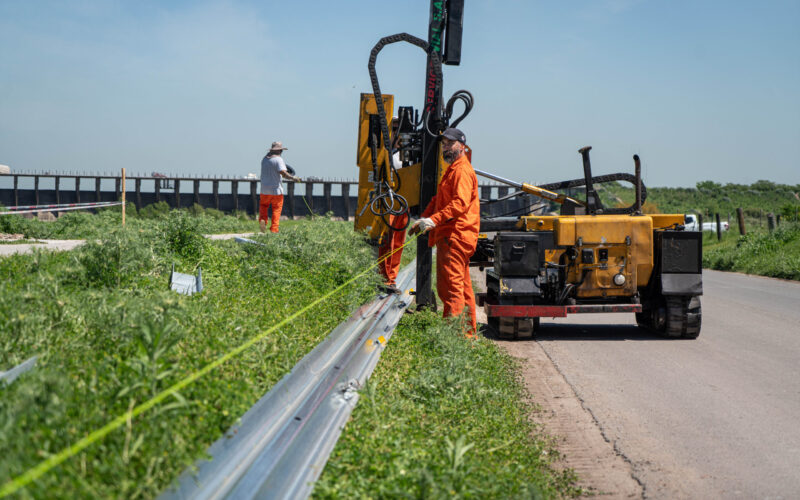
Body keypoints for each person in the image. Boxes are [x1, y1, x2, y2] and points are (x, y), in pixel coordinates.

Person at [409, 127, 480, 336]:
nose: (446, 148)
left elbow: (459, 203)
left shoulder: (461, 171)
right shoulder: (453, 170)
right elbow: (438, 200)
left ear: (462, 146)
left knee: (450, 289)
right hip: (454, 236)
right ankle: (467, 335)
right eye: (444, 144)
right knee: (463, 289)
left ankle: (454, 338)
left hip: (455, 237)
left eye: (450, 144)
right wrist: (424, 218)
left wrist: (434, 220)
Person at [378, 119, 408, 292]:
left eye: (399, 130)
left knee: (397, 243)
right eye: (393, 129)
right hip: (388, 201)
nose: (396, 133)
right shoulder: (384, 153)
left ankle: (391, 278)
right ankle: (385, 277)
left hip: (403, 202)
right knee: (386, 242)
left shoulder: (406, 154)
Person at [260, 141, 301, 233]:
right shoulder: (278, 160)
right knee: (276, 209)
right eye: (281, 151)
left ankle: (263, 221)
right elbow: (283, 173)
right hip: (276, 190)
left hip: (264, 189)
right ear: (279, 151)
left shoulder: (264, 159)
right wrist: (293, 178)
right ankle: (274, 229)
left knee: (263, 206)